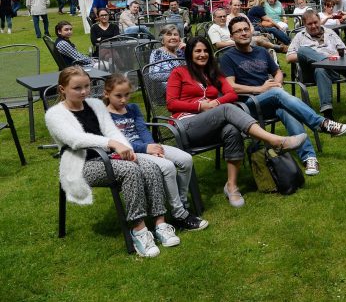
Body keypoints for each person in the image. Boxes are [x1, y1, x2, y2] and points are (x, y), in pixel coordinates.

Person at [45, 67, 178, 257]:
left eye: (87, 86)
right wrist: (112, 143)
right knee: (130, 170)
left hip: (110, 157)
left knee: (150, 166)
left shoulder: (95, 105)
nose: (84, 92)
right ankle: (139, 231)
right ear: (62, 89)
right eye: (77, 88)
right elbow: (75, 139)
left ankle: (160, 224)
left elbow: (111, 130)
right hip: (83, 165)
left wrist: (126, 148)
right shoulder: (55, 115)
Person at [166, 37, 305, 207]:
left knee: (231, 129)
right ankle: (274, 140)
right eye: (198, 51)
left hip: (211, 123)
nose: (202, 55)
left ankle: (231, 186)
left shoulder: (213, 73)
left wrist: (216, 102)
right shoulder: (179, 72)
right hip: (186, 126)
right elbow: (171, 103)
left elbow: (231, 94)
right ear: (190, 54)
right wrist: (199, 106)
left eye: (205, 51)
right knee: (227, 109)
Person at [219, 16, 346, 177]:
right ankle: (321, 123)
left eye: (246, 29)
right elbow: (230, 86)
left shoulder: (261, 51)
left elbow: (277, 72)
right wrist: (260, 89)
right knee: (277, 94)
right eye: (238, 31)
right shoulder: (227, 58)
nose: (244, 33)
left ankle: (309, 157)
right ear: (231, 36)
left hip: (271, 100)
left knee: (286, 109)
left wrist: (278, 83)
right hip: (247, 106)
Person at [103, 74, 208, 231]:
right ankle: (180, 214)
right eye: (118, 96)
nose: (124, 100)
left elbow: (142, 130)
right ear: (106, 94)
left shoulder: (133, 108)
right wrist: (146, 149)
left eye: (127, 95)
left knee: (185, 159)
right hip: (130, 153)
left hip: (147, 147)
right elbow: (117, 143)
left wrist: (153, 147)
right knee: (168, 166)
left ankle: (180, 203)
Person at [286, 9, 346, 119]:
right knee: (303, 50)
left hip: (331, 71)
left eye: (315, 22)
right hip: (308, 72)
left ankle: (327, 113)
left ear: (320, 20)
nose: (313, 26)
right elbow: (288, 57)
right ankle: (340, 69)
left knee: (320, 69)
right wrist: (309, 56)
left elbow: (344, 51)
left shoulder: (330, 33)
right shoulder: (299, 36)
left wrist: (334, 56)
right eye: (309, 24)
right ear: (304, 24)